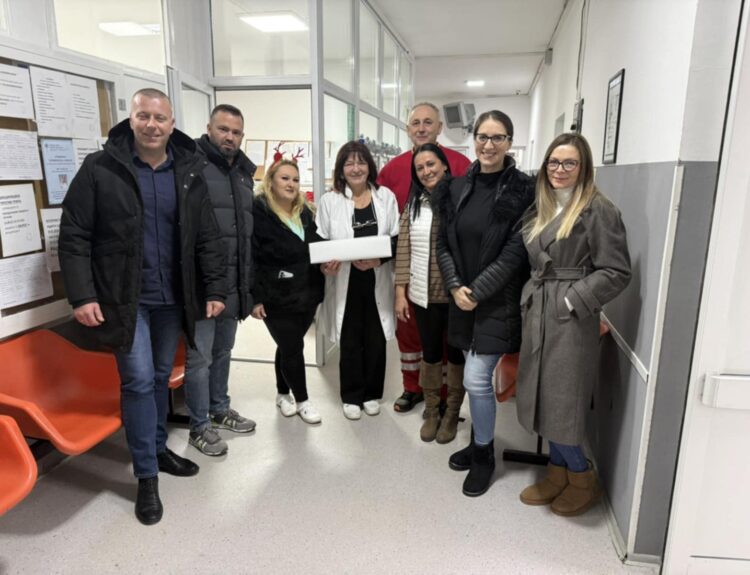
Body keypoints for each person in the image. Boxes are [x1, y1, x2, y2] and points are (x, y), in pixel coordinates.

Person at [58, 89, 227, 525]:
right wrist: (82, 295)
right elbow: (74, 234)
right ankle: (146, 475)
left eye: (160, 117)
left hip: (172, 299)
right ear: (130, 119)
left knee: (157, 377)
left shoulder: (188, 171)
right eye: (144, 116)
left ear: (172, 124)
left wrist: (215, 288)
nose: (152, 125)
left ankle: (155, 449)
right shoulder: (101, 168)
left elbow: (206, 235)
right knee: (136, 381)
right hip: (124, 299)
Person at [516, 133, 631, 516]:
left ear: (584, 168)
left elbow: (616, 271)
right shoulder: (543, 206)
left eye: (569, 163)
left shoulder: (599, 210)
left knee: (563, 401)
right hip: (539, 310)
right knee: (542, 398)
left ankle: (582, 477)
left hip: (570, 318)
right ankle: (557, 472)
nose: (560, 170)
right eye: (554, 162)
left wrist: (572, 300)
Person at [436, 110, 534, 497]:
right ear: (473, 139)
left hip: (497, 302)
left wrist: (476, 291)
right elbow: (444, 243)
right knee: (472, 378)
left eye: (497, 138)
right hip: (461, 299)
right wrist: (455, 286)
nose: (488, 145)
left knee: (477, 379)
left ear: (509, 142)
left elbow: (515, 253)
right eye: (482, 137)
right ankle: (480, 440)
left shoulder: (523, 190)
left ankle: (484, 455)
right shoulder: (457, 188)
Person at [378, 102, 471, 413]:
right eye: (415, 123)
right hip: (408, 265)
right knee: (409, 331)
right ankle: (412, 387)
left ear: (439, 127)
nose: (421, 128)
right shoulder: (391, 170)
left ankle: (445, 395)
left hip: (450, 270)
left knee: (447, 338)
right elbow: (383, 219)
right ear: (407, 129)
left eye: (428, 122)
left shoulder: (461, 164)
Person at [183, 104, 257, 457]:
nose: (229, 137)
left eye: (236, 132)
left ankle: (219, 408)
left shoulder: (243, 174)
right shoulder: (191, 166)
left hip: (233, 282)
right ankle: (199, 427)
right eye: (223, 129)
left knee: (223, 350)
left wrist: (247, 285)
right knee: (199, 358)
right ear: (209, 128)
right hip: (202, 284)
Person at [316, 141, 400, 420]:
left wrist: (379, 261)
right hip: (346, 280)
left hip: (377, 278)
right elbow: (320, 238)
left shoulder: (385, 197)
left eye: (361, 162)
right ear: (341, 169)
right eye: (349, 163)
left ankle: (372, 393)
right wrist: (326, 264)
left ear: (369, 166)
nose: (355, 168)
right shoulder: (330, 201)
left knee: (375, 338)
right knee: (350, 338)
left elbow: (398, 239)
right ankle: (351, 395)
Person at [394, 143, 465, 443]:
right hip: (423, 294)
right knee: (431, 354)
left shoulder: (461, 197)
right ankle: (433, 411)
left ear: (445, 165)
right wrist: (400, 292)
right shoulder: (414, 204)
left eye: (431, 164)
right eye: (420, 168)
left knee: (456, 355)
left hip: (457, 295)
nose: (426, 171)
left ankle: (452, 412)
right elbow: (404, 249)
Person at [251, 159, 325, 424]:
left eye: (295, 179)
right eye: (284, 178)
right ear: (271, 181)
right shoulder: (258, 213)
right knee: (293, 347)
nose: (291, 184)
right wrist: (255, 298)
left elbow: (318, 246)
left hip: (307, 291)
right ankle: (303, 400)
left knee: (287, 345)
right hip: (275, 294)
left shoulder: (306, 212)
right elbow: (252, 257)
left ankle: (282, 394)